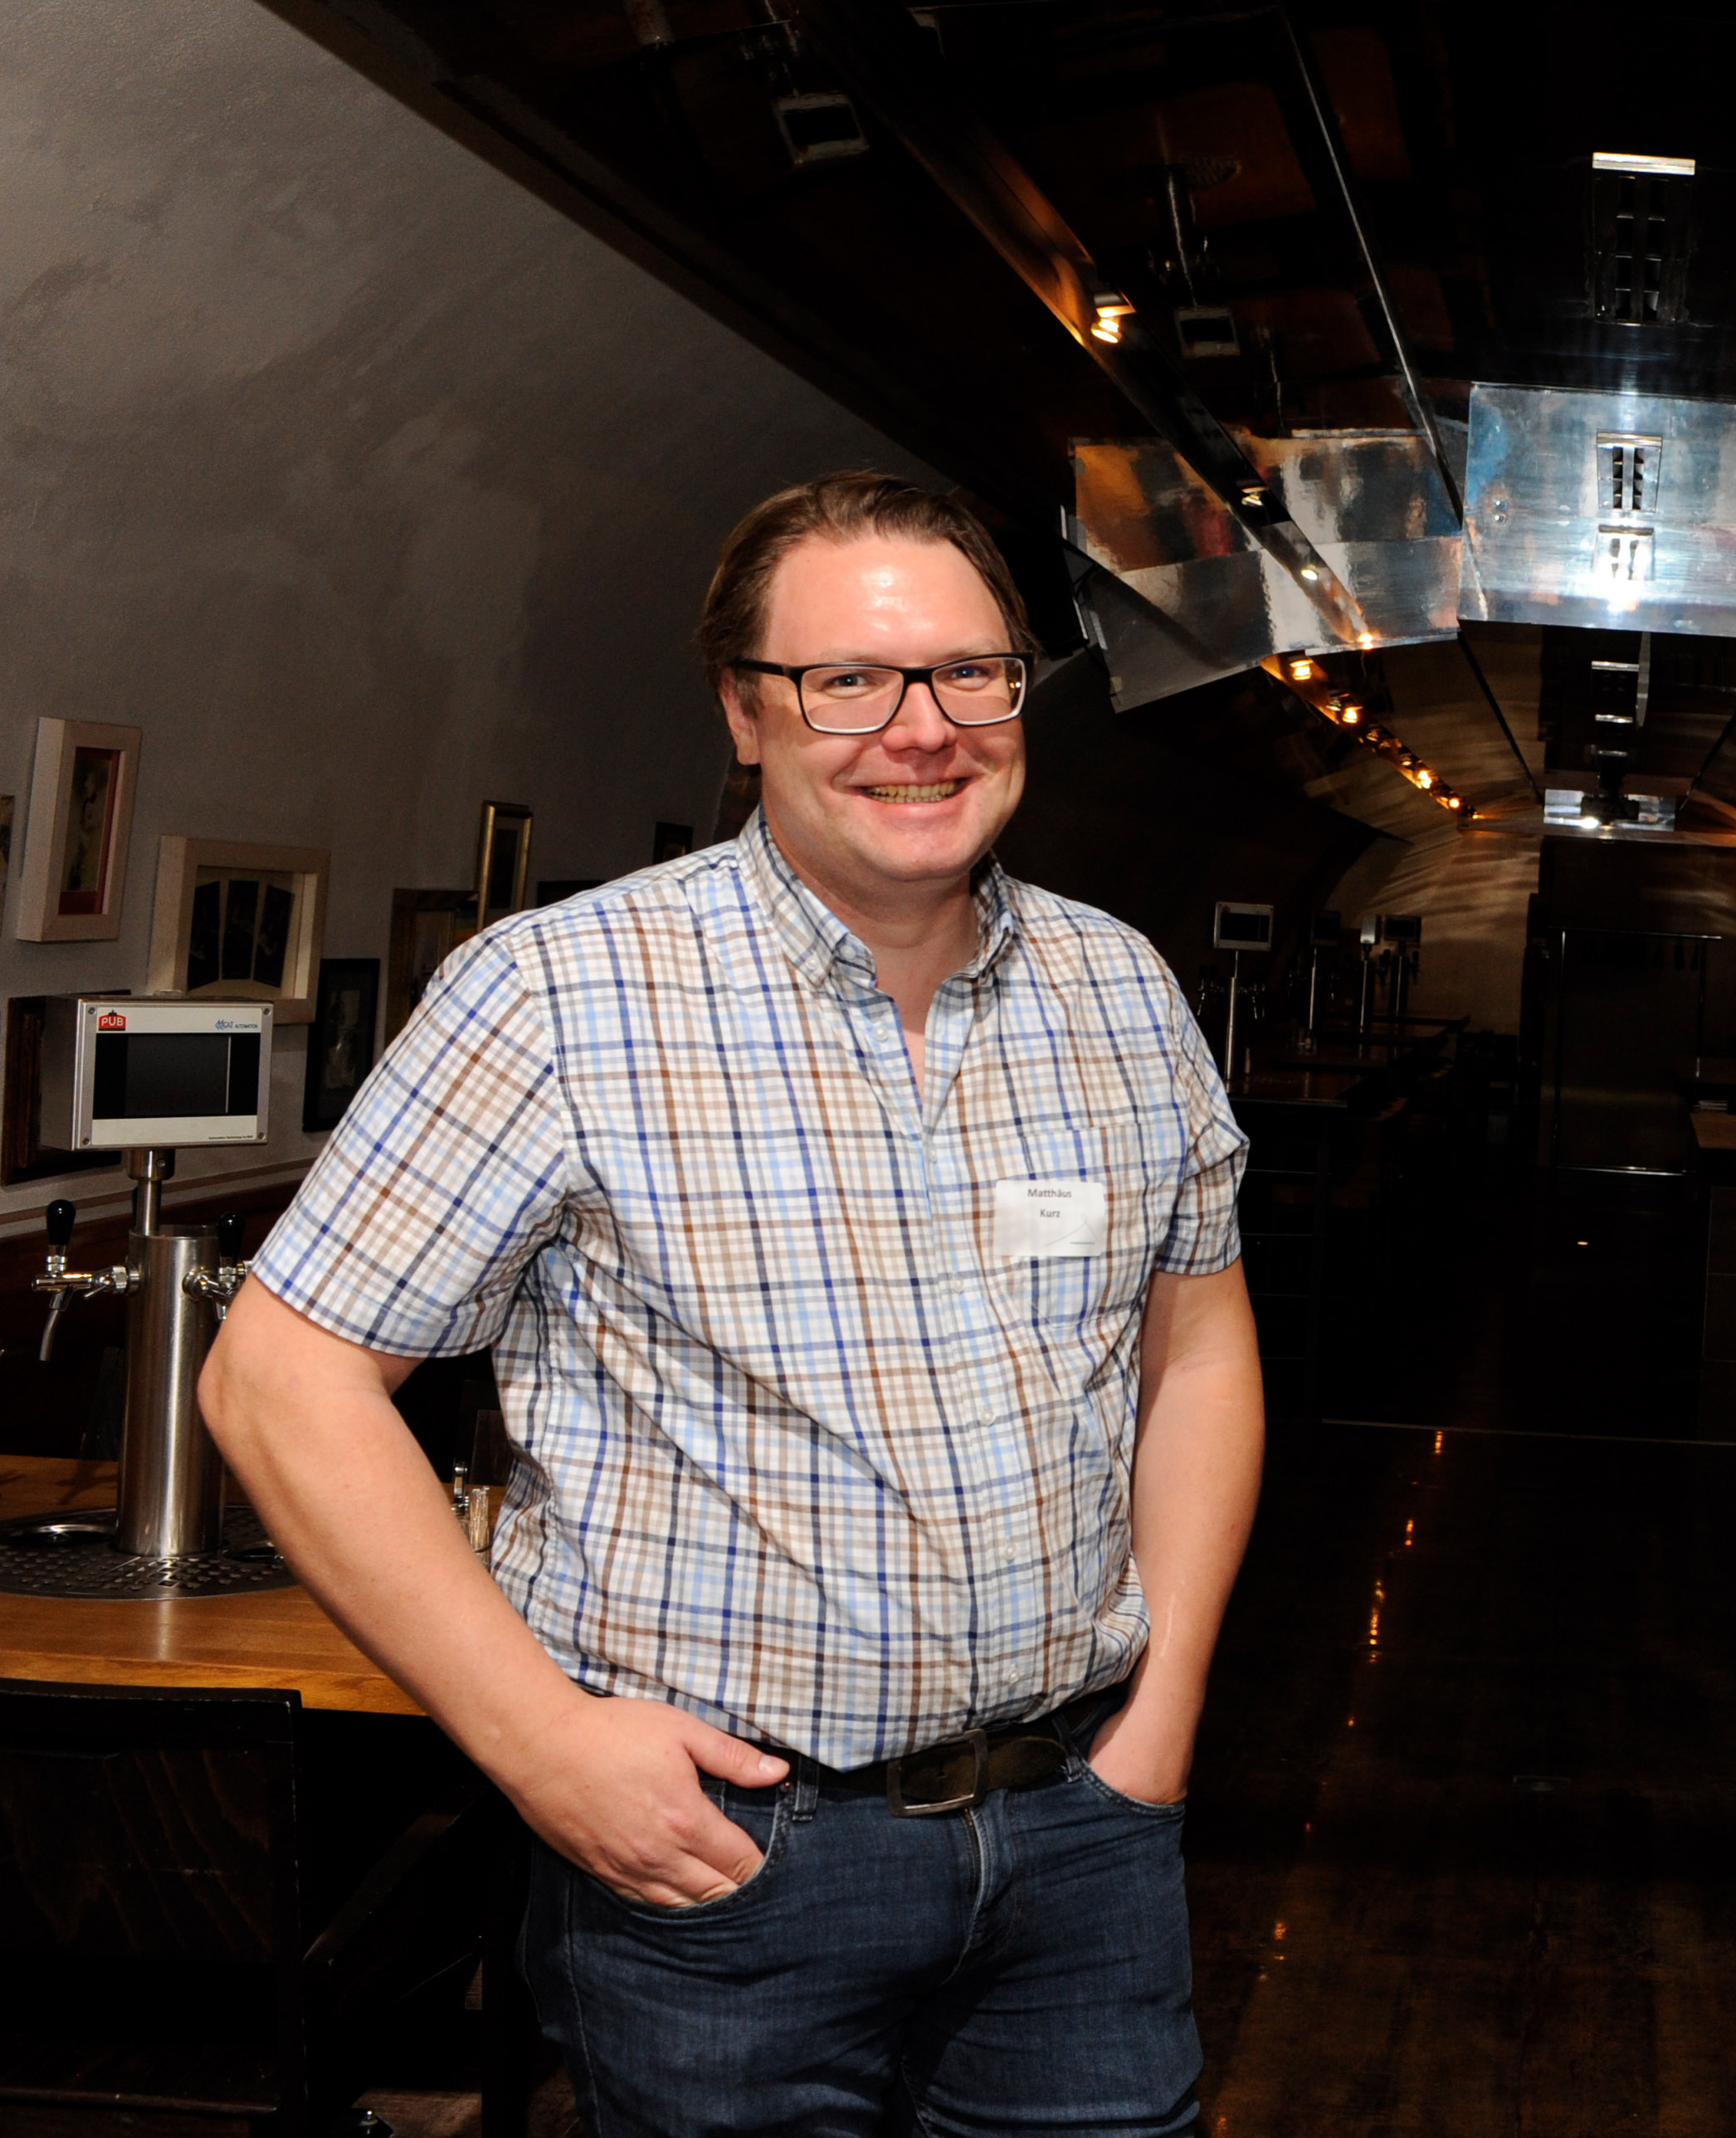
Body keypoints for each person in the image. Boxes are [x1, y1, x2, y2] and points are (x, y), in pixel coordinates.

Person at [201, 471, 1262, 2138]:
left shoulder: (1119, 989)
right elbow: (280, 1381)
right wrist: (539, 1744)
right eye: (847, 681)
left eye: (969, 672)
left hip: (1084, 1835)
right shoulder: (556, 995)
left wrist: (1170, 1703)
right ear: (744, 712)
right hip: (733, 1860)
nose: (921, 729)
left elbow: (1197, 1350)